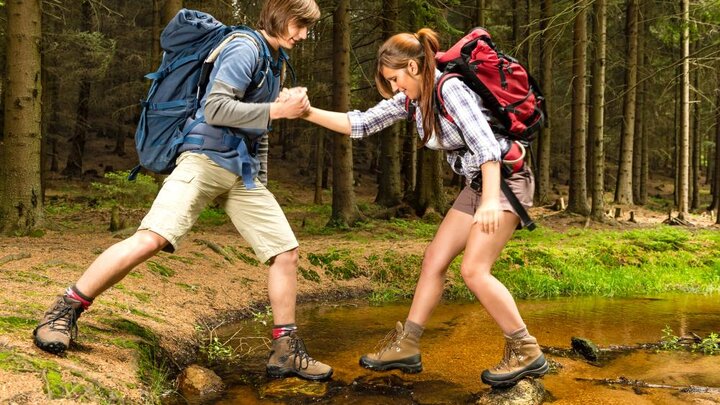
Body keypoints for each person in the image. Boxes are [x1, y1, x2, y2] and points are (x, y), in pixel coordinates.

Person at [33, 0, 333, 382]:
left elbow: (259, 132)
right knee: (151, 239)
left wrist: (260, 181)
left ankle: (286, 351)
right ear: (278, 13)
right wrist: (278, 111)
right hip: (203, 160)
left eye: (308, 27)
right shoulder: (244, 46)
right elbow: (217, 109)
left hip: (242, 172)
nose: (304, 34)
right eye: (300, 24)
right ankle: (64, 311)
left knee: (285, 252)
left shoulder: (276, 61)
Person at [301, 28, 548, 387]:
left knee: (475, 270)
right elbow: (361, 123)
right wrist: (306, 111)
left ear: (415, 67)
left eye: (396, 78)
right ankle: (408, 344)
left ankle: (526, 350)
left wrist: (491, 200)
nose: (395, 87)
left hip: (505, 180)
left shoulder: (449, 88)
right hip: (479, 183)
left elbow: (485, 145)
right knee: (434, 258)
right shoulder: (414, 100)